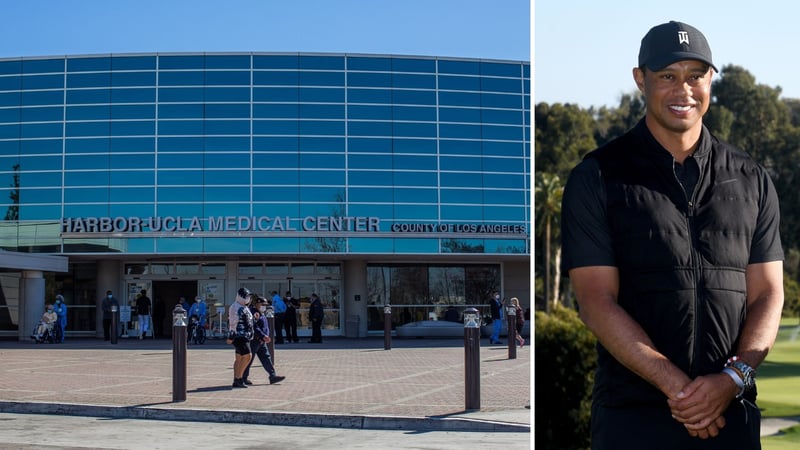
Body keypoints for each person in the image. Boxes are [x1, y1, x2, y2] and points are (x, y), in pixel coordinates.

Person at [560, 21, 784, 449]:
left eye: (695, 75)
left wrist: (731, 379)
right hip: (633, 423)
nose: (684, 90)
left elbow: (768, 294)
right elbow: (594, 301)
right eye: (667, 76)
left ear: (711, 81)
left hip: (731, 419)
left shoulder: (752, 178)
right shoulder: (599, 176)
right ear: (640, 79)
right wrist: (682, 391)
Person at [242, 296, 285, 385]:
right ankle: (243, 378)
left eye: (265, 305)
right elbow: (254, 326)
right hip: (255, 340)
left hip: (261, 342)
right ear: (257, 304)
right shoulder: (253, 313)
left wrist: (266, 336)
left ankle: (272, 376)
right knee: (249, 360)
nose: (264, 306)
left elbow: (265, 326)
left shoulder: (261, 313)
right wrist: (262, 335)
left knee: (266, 358)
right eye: (262, 304)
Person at [227, 287, 255, 388]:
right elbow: (232, 323)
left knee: (239, 358)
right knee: (247, 356)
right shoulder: (235, 307)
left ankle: (236, 379)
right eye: (247, 297)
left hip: (245, 336)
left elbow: (248, 320)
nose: (249, 299)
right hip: (240, 336)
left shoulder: (244, 307)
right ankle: (239, 378)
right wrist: (231, 336)